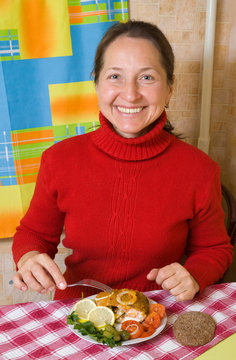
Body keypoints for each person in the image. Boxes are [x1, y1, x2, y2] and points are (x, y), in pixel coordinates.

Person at [12, 20, 233, 302]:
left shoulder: (200, 170)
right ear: (96, 82)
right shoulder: (59, 159)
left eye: (147, 77)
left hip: (157, 315)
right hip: (80, 314)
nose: (130, 94)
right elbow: (34, 233)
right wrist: (30, 255)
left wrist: (193, 274)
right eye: (115, 76)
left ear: (169, 88)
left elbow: (215, 248)